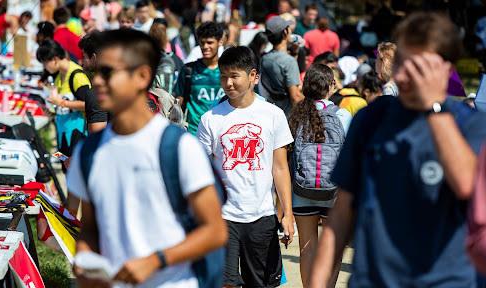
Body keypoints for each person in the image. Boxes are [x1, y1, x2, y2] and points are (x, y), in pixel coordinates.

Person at [310, 12, 486, 287]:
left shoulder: (471, 125)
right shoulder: (371, 119)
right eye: (401, 61)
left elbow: (466, 183)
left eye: (415, 65)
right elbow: (341, 214)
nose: (401, 74)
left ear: (443, 68)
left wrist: (433, 107)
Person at [69, 28, 227, 288]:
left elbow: (215, 231)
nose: (97, 81)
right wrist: (85, 258)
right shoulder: (89, 152)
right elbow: (90, 228)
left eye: (108, 73)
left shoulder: (179, 148)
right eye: (95, 73)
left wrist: (155, 261)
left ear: (142, 76)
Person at [197, 46, 295, 288]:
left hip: (261, 216)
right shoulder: (210, 119)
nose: (228, 83)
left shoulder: (273, 115)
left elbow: (280, 168)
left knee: (260, 283)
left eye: (234, 76)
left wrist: (288, 213)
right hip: (223, 218)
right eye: (223, 76)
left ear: (253, 76)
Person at [289, 63, 350, 288]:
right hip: (333, 194)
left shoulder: (296, 115)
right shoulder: (342, 115)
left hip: (301, 192)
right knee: (332, 247)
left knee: (307, 247)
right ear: (331, 86)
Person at [36, 40, 107, 158]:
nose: (44, 67)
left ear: (54, 59)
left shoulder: (77, 76)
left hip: (76, 133)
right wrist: (53, 111)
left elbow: (91, 105)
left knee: (72, 169)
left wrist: (63, 103)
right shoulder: (59, 75)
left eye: (44, 63)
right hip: (62, 133)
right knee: (61, 161)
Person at [173, 21, 225, 135]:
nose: (205, 47)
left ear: (220, 41)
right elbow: (178, 101)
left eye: (210, 42)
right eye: (202, 42)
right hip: (195, 133)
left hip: (223, 133)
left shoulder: (228, 70)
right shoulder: (188, 70)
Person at [259, 16, 303, 115]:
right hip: (286, 116)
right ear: (285, 32)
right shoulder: (288, 61)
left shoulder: (265, 58)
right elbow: (295, 97)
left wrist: (294, 54)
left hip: (269, 112)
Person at [149, 20, 184, 94]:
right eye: (155, 31)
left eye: (161, 30)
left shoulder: (170, 58)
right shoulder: (146, 58)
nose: (158, 33)